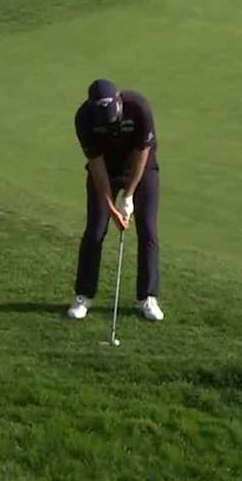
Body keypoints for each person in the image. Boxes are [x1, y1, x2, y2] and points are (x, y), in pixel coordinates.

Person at [71, 78, 162, 322]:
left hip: (142, 169)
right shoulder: (84, 119)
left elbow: (142, 154)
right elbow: (97, 167)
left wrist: (130, 195)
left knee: (148, 229)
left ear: (119, 101)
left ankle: (148, 297)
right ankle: (83, 295)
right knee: (95, 231)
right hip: (106, 172)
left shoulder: (139, 108)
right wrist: (112, 209)